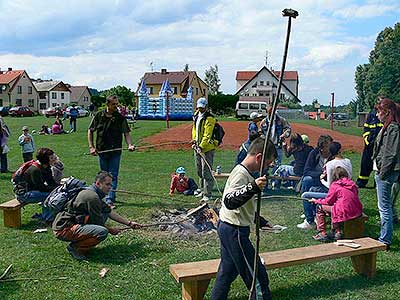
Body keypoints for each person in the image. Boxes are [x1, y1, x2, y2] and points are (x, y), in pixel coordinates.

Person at [211, 136, 276, 300]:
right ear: (259, 157)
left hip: (228, 227)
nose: (267, 168)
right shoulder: (241, 175)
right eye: (267, 164)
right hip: (235, 232)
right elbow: (229, 201)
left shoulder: (244, 173)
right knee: (257, 278)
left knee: (226, 273)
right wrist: (253, 187)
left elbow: (243, 206)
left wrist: (260, 221)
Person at [52, 171, 142, 261]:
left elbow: (109, 211)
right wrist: (111, 230)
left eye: (111, 185)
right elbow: (98, 223)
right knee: (102, 232)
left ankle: (81, 241)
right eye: (107, 184)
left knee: (105, 214)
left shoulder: (92, 192)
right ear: (98, 183)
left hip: (69, 224)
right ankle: (75, 248)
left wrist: (129, 223)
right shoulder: (92, 197)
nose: (110, 187)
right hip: (64, 229)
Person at [88, 95, 135, 207]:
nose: (116, 106)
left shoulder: (120, 118)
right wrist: (91, 147)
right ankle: (102, 197)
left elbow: (126, 133)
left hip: (115, 151)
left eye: (117, 104)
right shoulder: (99, 116)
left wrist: (130, 145)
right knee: (103, 176)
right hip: (102, 151)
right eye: (114, 104)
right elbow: (90, 131)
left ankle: (109, 200)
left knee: (112, 175)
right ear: (107, 104)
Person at [372, 97, 400, 247]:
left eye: (379, 112)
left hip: (386, 173)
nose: (377, 115)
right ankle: (384, 236)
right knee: (385, 206)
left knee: (384, 207)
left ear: (387, 112)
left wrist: (382, 173)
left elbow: (390, 153)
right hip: (384, 172)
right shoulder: (388, 127)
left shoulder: (393, 128)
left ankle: (384, 240)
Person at [309, 166, 363, 242]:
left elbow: (328, 201)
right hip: (357, 210)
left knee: (320, 207)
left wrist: (316, 201)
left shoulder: (335, 185)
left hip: (344, 211)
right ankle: (337, 231)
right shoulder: (352, 184)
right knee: (337, 208)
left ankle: (322, 233)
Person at [297, 135, 333, 229]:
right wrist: (320, 174)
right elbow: (307, 171)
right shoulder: (314, 153)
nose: (330, 148)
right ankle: (309, 218)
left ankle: (310, 216)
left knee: (309, 190)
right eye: (327, 146)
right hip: (317, 179)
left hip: (330, 183)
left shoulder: (333, 156)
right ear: (321, 148)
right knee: (306, 180)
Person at [15, 148, 59, 222]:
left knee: (54, 193)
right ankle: (47, 218)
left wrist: (60, 187)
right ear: (45, 159)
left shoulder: (47, 167)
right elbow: (41, 188)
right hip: (23, 194)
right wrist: (56, 189)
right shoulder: (35, 170)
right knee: (49, 195)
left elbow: (51, 182)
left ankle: (48, 215)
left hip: (34, 190)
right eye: (51, 158)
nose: (54, 159)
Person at [191, 97, 218, 202]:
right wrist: (194, 141)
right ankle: (201, 190)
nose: (200, 109)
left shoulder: (210, 118)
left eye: (202, 108)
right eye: (199, 107)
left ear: (206, 107)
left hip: (207, 148)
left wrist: (201, 146)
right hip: (197, 147)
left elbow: (207, 134)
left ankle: (208, 194)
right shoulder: (196, 116)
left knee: (206, 171)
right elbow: (194, 130)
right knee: (199, 171)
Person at [259, 106, 291, 191]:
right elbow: (260, 132)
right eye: (269, 112)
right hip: (267, 147)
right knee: (265, 165)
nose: (271, 113)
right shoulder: (264, 122)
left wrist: (285, 134)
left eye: (272, 111)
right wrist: (264, 138)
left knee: (277, 166)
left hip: (278, 146)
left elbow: (288, 129)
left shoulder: (281, 120)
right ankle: (265, 186)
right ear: (267, 112)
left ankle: (275, 185)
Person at [356, 108, 383, 188]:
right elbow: (366, 128)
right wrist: (367, 140)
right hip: (370, 145)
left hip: (381, 146)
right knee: (365, 164)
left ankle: (377, 183)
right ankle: (361, 182)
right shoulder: (372, 114)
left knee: (379, 164)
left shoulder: (387, 115)